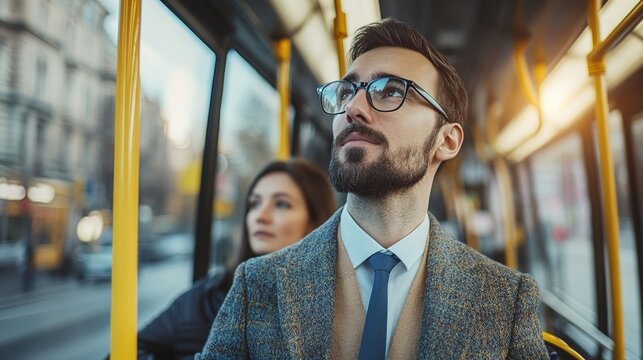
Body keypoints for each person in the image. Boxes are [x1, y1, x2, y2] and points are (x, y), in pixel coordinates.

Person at [198, 18, 549, 359]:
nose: (353, 108)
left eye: (390, 91)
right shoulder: (258, 284)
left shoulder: (505, 299)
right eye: (347, 92)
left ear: (447, 140)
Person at [136, 158, 336, 360]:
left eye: (281, 204)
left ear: (315, 222)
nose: (260, 216)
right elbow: (129, 351)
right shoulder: (206, 297)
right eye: (254, 204)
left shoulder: (335, 302)